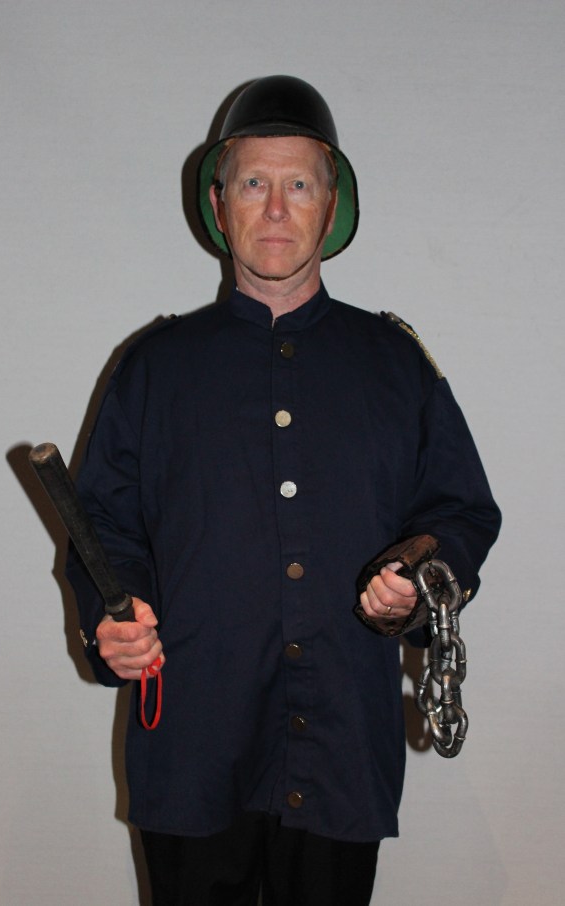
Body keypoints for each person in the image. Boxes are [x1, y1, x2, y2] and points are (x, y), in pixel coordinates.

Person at [66, 76, 501, 905]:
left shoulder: (395, 365)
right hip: (193, 743)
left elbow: (459, 512)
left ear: (330, 205)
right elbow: (105, 528)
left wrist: (416, 583)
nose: (274, 208)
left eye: (298, 184)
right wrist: (111, 618)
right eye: (253, 184)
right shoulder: (154, 368)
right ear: (218, 202)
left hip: (342, 747)